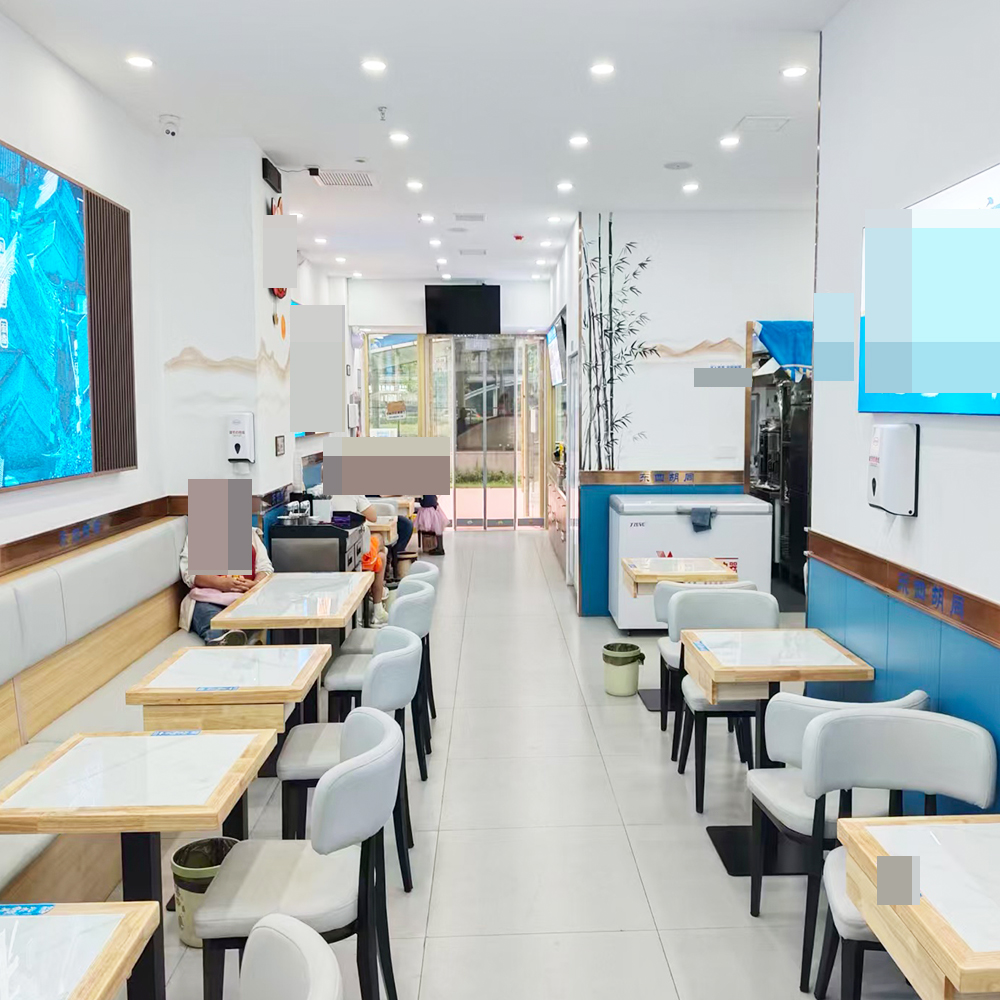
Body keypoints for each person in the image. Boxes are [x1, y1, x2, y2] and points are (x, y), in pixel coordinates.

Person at [179, 528, 273, 644]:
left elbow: (265, 568)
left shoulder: (250, 534)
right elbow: (189, 573)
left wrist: (255, 583)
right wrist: (220, 583)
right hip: (206, 599)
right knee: (210, 619)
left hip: (245, 599)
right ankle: (222, 641)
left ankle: (234, 638)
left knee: (255, 614)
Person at [327, 494, 389, 624]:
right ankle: (378, 606)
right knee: (381, 548)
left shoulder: (319, 493)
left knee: (381, 553)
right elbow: (373, 517)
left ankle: (377, 597)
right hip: (354, 551)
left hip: (330, 552)